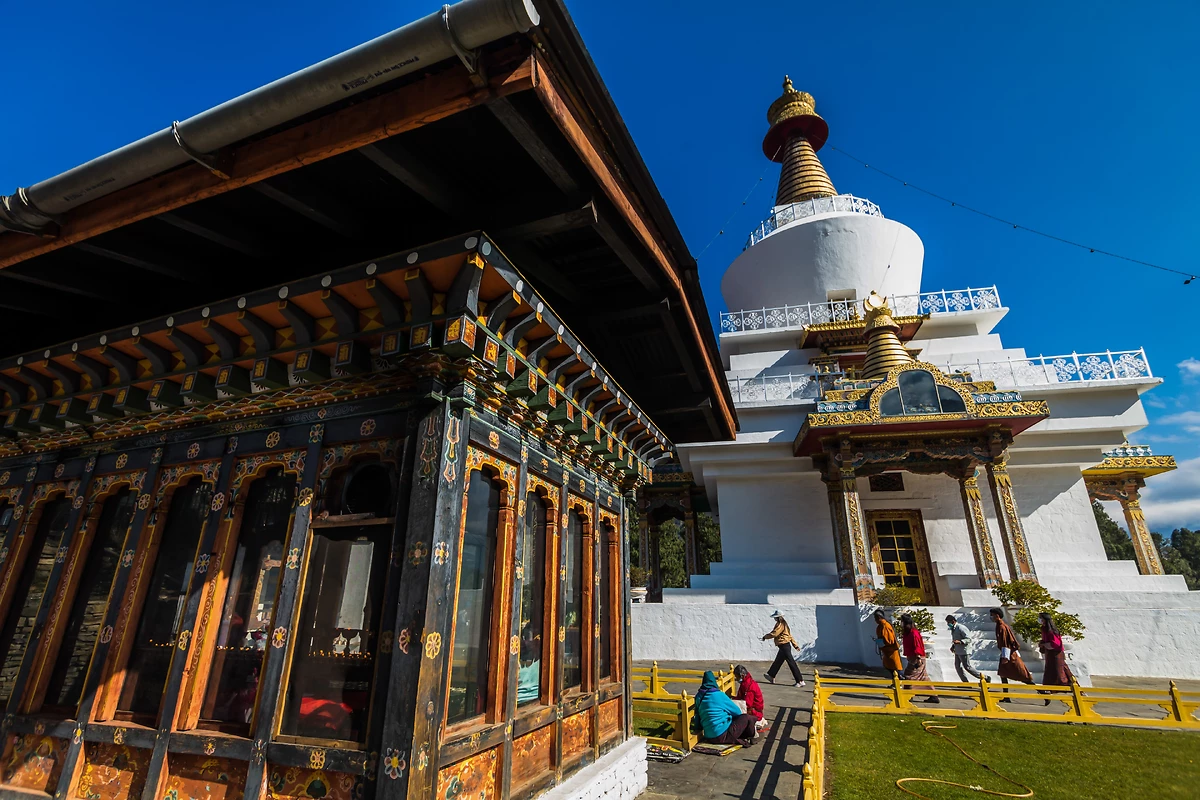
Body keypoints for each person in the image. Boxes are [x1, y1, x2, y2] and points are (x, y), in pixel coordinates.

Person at [695, 670, 757, 747]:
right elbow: (737, 712)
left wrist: (697, 729)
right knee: (747, 718)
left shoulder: (699, 697)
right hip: (721, 735)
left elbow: (697, 716)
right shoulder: (719, 695)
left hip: (708, 736)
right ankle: (753, 736)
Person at [991, 607, 1034, 702]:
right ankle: (1006, 696)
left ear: (997, 616)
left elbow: (1005, 643)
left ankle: (1043, 692)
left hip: (1009, 655)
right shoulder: (999, 625)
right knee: (1003, 674)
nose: (991, 617)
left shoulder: (1002, 627)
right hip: (1006, 654)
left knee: (1022, 676)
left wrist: (1005, 657)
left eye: (992, 615)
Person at [899, 613, 940, 704]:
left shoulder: (914, 633)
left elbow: (917, 645)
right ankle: (933, 695)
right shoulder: (908, 633)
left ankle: (909, 695)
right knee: (923, 677)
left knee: (909, 675)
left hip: (917, 658)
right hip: (912, 657)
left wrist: (918, 658)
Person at [761, 611, 805, 686]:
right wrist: (795, 645)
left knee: (791, 663)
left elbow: (774, 633)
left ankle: (799, 681)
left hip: (784, 645)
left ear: (778, 617)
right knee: (778, 661)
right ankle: (771, 675)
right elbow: (789, 636)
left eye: (775, 617)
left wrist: (765, 637)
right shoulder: (785, 624)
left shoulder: (780, 624)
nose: (775, 618)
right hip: (784, 646)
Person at [1038, 612, 1073, 705]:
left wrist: (1044, 644)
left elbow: (1055, 644)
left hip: (1056, 654)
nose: (1040, 620)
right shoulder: (1044, 629)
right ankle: (1047, 693)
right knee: (1049, 673)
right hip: (1050, 654)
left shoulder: (1051, 631)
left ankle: (1073, 688)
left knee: (1061, 671)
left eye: (1041, 618)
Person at [946, 614, 986, 683]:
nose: (948, 624)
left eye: (948, 622)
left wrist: (960, 642)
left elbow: (968, 639)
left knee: (967, 667)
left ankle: (985, 677)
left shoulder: (961, 628)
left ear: (953, 621)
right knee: (958, 666)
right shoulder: (953, 629)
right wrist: (953, 646)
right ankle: (965, 682)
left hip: (964, 650)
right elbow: (956, 639)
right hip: (957, 651)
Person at [733, 665, 766, 732]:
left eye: (737, 677)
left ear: (742, 676)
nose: (736, 679)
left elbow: (747, 704)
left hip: (755, 713)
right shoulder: (746, 683)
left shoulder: (749, 687)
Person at [872, 609, 903, 675]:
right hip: (886, 652)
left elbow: (890, 641)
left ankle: (900, 679)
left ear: (879, 617)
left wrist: (880, 642)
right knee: (889, 667)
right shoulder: (879, 626)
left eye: (875, 618)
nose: (875, 620)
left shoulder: (885, 626)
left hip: (891, 651)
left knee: (896, 669)